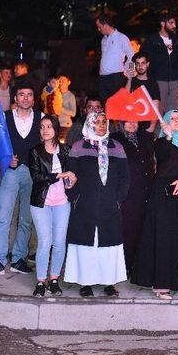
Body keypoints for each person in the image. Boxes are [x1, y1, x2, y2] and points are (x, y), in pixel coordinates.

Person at [134, 110, 178, 300]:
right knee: (165, 240)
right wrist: (167, 137)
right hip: (163, 199)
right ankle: (162, 284)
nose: (176, 121)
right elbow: (164, 159)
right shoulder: (161, 143)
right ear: (165, 122)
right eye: (171, 119)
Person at [64, 112, 130, 297]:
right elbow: (69, 174)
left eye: (104, 122)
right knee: (86, 246)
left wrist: (118, 198)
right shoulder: (78, 147)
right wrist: (74, 197)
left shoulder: (117, 147)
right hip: (85, 205)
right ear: (89, 124)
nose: (101, 125)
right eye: (97, 122)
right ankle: (85, 283)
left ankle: (109, 283)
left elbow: (125, 177)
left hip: (110, 205)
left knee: (109, 246)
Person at [0, 83, 42, 277]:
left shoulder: (42, 119)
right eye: (21, 95)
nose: (25, 98)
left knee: (26, 219)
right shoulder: (5, 118)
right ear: (15, 99)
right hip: (10, 172)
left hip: (33, 174)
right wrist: (5, 157)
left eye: (29, 94)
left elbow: (49, 145)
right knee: (3, 216)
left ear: (34, 99)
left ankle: (19, 258)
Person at [28, 116, 76, 297]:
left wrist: (71, 180)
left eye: (49, 126)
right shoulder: (35, 151)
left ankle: (54, 278)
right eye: (42, 127)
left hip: (62, 202)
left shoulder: (66, 150)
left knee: (59, 242)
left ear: (56, 129)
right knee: (45, 241)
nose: (45, 130)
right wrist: (60, 175)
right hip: (41, 202)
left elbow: (72, 177)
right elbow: (37, 177)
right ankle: (41, 280)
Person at [111, 120, 155, 275]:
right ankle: (124, 266)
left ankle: (138, 266)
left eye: (134, 121)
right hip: (126, 194)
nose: (131, 123)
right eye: (127, 121)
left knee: (141, 230)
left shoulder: (145, 138)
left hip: (145, 193)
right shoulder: (115, 139)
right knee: (127, 231)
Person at [140, 11, 178, 114]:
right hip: (159, 81)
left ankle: (171, 131)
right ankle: (157, 130)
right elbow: (141, 57)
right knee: (157, 113)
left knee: (172, 113)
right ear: (163, 23)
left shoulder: (176, 40)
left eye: (175, 23)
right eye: (171, 23)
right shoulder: (152, 40)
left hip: (175, 82)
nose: (174, 26)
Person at [96, 13, 134, 102]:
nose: (99, 29)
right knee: (105, 104)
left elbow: (132, 55)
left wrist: (129, 72)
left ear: (105, 25)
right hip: (103, 78)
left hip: (116, 78)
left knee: (117, 104)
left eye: (99, 26)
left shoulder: (121, 37)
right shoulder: (103, 39)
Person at [125, 51, 161, 133]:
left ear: (147, 64)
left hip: (146, 123)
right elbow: (125, 98)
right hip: (130, 122)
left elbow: (155, 107)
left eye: (143, 63)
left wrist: (151, 127)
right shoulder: (131, 81)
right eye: (137, 63)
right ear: (134, 65)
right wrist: (129, 79)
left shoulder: (152, 83)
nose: (140, 66)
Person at [57, 75, 76, 140]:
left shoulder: (70, 96)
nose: (61, 82)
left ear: (68, 82)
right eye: (59, 81)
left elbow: (73, 113)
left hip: (65, 126)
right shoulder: (55, 94)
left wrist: (60, 108)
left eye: (63, 81)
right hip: (54, 124)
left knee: (63, 146)